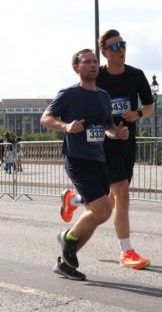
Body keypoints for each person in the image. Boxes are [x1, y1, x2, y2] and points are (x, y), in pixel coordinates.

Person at [41, 48, 129, 281]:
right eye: (87, 62)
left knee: (97, 214)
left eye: (95, 61)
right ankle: (67, 237)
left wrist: (117, 133)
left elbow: (108, 127)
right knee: (102, 210)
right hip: (77, 159)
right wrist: (67, 126)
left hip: (98, 159)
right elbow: (46, 118)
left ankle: (65, 263)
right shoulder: (69, 94)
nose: (92, 65)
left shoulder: (103, 96)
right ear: (76, 68)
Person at [94, 29, 155, 270]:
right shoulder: (97, 77)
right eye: (115, 46)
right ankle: (126, 251)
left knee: (109, 201)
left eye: (123, 44)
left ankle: (75, 203)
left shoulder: (136, 75)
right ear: (105, 52)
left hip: (127, 141)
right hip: (103, 143)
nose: (121, 50)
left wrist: (137, 113)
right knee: (122, 193)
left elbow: (150, 106)